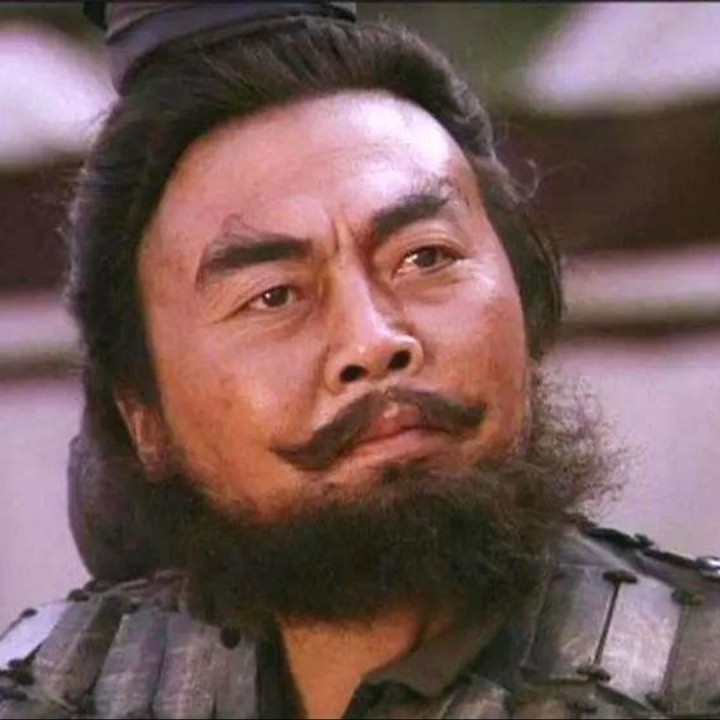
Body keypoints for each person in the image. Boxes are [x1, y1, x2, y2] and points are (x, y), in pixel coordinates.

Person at [1, 3, 719, 718]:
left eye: (425, 257)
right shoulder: (49, 692)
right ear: (144, 417)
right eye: (274, 295)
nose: (374, 341)